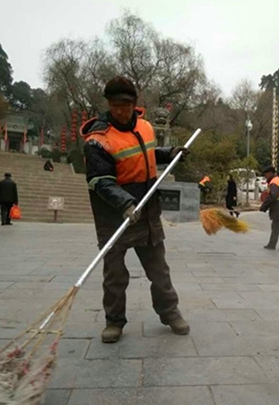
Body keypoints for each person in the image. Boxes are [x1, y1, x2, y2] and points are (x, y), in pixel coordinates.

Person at [81, 76, 190, 344]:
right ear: (108, 104)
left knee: (159, 270)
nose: (121, 111)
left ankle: (170, 312)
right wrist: (125, 203)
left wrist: (170, 153)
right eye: (115, 105)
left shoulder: (145, 127)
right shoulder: (98, 140)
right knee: (115, 275)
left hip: (146, 211)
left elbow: (146, 153)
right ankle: (114, 321)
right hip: (113, 215)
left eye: (126, 105)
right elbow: (100, 181)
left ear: (135, 104)